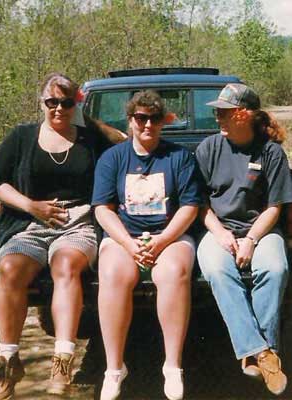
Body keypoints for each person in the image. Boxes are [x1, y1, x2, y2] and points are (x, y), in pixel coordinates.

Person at [0, 72, 126, 399]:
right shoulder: (21, 137)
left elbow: (125, 141)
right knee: (10, 269)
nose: (58, 109)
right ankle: (7, 364)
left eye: (66, 103)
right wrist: (30, 205)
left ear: (75, 105)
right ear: (42, 103)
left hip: (78, 220)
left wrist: (89, 121)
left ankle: (61, 363)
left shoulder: (89, 138)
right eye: (52, 102)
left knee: (66, 266)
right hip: (29, 221)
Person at [92, 90, 201, 400]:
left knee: (174, 273)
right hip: (123, 237)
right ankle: (114, 370)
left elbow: (190, 207)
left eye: (154, 118)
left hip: (171, 237)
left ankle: (172, 366)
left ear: (163, 121)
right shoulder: (112, 158)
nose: (147, 125)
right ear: (130, 121)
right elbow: (102, 208)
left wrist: (163, 240)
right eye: (141, 118)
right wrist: (127, 243)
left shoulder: (179, 157)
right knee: (113, 275)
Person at [195, 83, 292, 396]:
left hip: (260, 230)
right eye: (216, 112)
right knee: (217, 270)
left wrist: (251, 239)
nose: (217, 118)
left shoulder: (271, 153)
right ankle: (263, 352)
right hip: (217, 229)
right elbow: (199, 205)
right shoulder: (208, 148)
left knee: (276, 269)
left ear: (245, 115)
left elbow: (274, 207)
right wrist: (222, 234)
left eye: (224, 112)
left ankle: (257, 352)